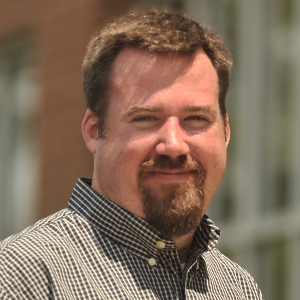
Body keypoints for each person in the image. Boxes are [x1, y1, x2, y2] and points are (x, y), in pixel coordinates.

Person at [0, 9, 264, 299]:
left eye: (196, 119)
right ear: (93, 131)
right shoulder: (23, 275)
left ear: (225, 132)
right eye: (146, 118)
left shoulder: (237, 288)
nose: (174, 145)